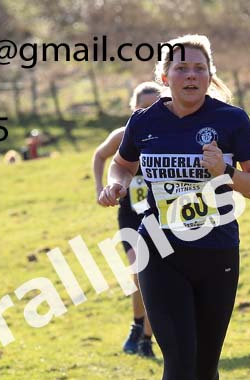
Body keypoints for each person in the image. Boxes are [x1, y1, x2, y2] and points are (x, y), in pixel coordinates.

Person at [97, 34, 250, 380]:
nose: (189, 75)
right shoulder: (144, 121)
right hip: (160, 252)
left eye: (198, 67)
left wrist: (224, 174)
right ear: (164, 76)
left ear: (209, 75)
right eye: (180, 68)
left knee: (205, 365)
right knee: (178, 356)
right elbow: (121, 165)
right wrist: (114, 185)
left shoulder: (232, 121)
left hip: (216, 254)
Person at [92, 82, 162, 358]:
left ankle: (145, 337)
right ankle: (137, 327)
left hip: (162, 215)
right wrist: (100, 188)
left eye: (154, 106)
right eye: (142, 107)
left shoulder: (170, 135)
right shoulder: (124, 135)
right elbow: (100, 155)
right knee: (139, 271)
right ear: (133, 109)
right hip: (131, 215)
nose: (148, 112)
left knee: (157, 279)